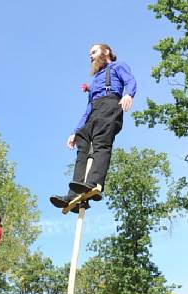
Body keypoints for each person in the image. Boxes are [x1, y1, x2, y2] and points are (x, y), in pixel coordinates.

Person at [50, 43, 136, 211]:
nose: (91, 56)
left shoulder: (117, 66)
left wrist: (128, 94)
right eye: (90, 53)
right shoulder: (96, 79)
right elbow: (88, 107)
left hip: (110, 104)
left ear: (106, 52)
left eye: (94, 52)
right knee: (82, 148)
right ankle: (74, 192)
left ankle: (93, 182)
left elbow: (130, 80)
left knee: (101, 144)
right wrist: (76, 131)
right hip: (93, 111)